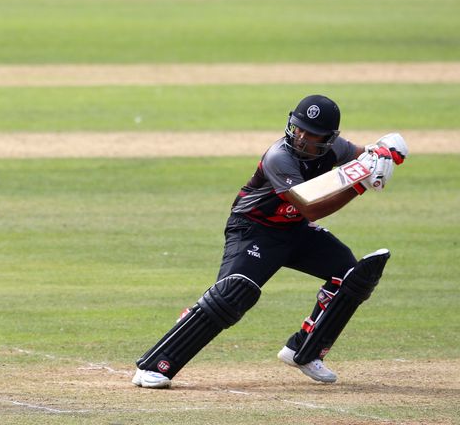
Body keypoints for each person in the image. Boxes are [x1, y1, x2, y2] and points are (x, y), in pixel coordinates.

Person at [132, 95, 408, 389]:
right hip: (253, 229)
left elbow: (364, 154)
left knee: (351, 276)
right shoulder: (280, 157)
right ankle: (156, 365)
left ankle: (304, 351)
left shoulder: (336, 149)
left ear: (329, 138)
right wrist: (361, 185)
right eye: (298, 128)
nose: (302, 136)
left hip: (295, 230)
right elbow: (310, 207)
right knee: (231, 296)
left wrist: (385, 153)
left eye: (312, 133)